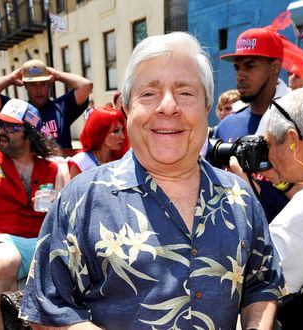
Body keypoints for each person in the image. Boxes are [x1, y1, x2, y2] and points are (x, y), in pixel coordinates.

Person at [20, 31, 284, 329]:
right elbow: (50, 310)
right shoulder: (82, 200)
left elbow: (262, 284)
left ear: (206, 109)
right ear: (128, 108)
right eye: (149, 93)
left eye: (186, 92)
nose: (168, 106)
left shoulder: (241, 197)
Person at [262, 86, 303, 328]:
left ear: (291, 140)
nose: (266, 154)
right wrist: (282, 182)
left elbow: (261, 276)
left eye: (268, 144)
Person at [0, 98, 65, 330]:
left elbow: (65, 212)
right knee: (3, 262)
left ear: (30, 135)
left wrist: (56, 201)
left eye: (11, 127)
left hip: (44, 238)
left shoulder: (53, 168)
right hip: (7, 239)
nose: (2, 131)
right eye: (0, 125)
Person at [213, 27, 291, 222]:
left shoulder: (297, 126)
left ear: (275, 67)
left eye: (250, 66)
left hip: (289, 245)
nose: (241, 75)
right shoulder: (226, 126)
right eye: (237, 67)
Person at [0, 59, 93, 150]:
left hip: (61, 165)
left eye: (43, 84)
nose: (39, 90)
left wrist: (58, 75)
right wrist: (10, 78)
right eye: (33, 84)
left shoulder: (61, 107)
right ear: (25, 86)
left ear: (49, 84)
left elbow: (86, 85)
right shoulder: (17, 111)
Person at [68, 105, 129, 179]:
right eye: (116, 131)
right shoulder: (80, 162)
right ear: (100, 132)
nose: (122, 136)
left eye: (122, 130)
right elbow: (74, 190)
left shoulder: (123, 159)